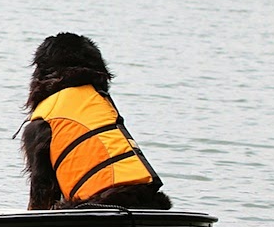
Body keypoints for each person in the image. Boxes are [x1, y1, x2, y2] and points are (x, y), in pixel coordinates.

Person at [20, 32, 171, 210]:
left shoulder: (46, 121)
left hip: (98, 208)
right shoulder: (100, 107)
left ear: (40, 71)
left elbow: (42, 193)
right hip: (149, 202)